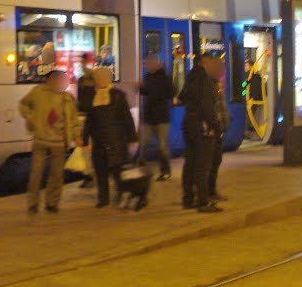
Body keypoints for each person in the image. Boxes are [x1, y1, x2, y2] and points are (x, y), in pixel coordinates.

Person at [19, 69, 80, 213]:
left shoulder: (68, 98)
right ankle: (33, 203)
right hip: (41, 140)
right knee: (36, 173)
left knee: (57, 175)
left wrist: (77, 136)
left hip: (59, 142)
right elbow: (23, 104)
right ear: (49, 81)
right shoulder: (38, 92)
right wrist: (31, 117)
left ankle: (52, 203)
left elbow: (74, 120)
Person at [84, 67, 137, 208]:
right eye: (98, 77)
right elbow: (89, 121)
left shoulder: (118, 95)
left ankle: (121, 194)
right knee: (100, 171)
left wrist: (132, 138)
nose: (100, 80)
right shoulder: (92, 96)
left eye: (103, 77)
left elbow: (127, 118)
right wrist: (84, 140)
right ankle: (103, 199)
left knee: (116, 171)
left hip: (116, 140)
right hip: (99, 140)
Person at [180, 53, 222, 213]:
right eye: (212, 65)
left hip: (189, 125)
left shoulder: (191, 78)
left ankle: (188, 198)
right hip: (201, 128)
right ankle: (203, 202)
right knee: (202, 165)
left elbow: (182, 96)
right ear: (205, 64)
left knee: (190, 164)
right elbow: (207, 108)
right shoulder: (205, 81)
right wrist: (217, 127)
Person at [139, 53, 175, 181]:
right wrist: (141, 88)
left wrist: (147, 88)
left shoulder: (164, 77)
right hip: (149, 117)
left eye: (148, 63)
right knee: (143, 142)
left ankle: (165, 170)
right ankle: (141, 169)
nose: (146, 66)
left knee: (162, 146)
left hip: (161, 117)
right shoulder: (148, 76)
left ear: (156, 63)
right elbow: (147, 92)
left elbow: (170, 93)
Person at [207, 57, 229, 203]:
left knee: (216, 161)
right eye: (220, 69)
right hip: (212, 130)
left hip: (219, 128)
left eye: (222, 69)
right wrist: (216, 126)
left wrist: (224, 123)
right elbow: (210, 109)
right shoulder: (209, 85)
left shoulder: (217, 85)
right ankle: (208, 192)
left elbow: (221, 107)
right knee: (210, 162)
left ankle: (212, 190)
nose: (222, 72)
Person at [75, 54, 97, 188]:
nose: (83, 66)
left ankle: (94, 175)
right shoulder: (81, 80)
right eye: (82, 63)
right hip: (83, 117)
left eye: (85, 63)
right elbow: (80, 99)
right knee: (85, 148)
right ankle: (88, 175)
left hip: (93, 117)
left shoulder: (95, 79)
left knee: (93, 147)